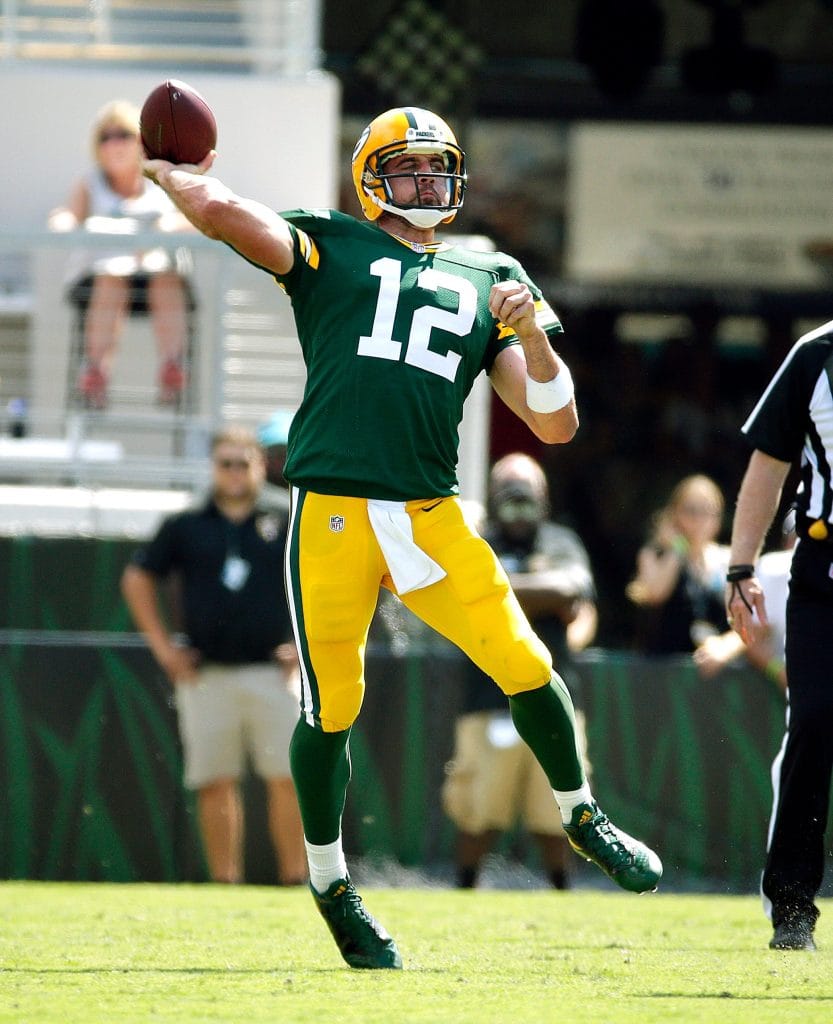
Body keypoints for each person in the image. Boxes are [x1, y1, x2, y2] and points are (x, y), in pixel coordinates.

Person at [142, 105, 662, 970]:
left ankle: (580, 813)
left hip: (429, 512)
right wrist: (176, 176)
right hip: (334, 511)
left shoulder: (490, 274)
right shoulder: (330, 243)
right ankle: (331, 884)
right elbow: (227, 214)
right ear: (369, 177)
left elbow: (555, 422)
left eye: (436, 168)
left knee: (526, 662)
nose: (425, 183)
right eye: (407, 168)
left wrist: (531, 336)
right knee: (332, 705)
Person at [121, 426, 306, 886]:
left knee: (290, 778)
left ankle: (297, 881)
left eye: (244, 463)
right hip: (207, 673)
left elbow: (327, 579)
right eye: (226, 464)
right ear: (213, 468)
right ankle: (224, 885)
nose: (234, 472)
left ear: (261, 466)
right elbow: (137, 578)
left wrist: (305, 648)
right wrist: (165, 650)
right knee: (215, 781)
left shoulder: (288, 516)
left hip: (276, 672)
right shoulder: (185, 523)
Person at [725, 318, 833, 953]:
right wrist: (741, 567)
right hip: (823, 575)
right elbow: (770, 462)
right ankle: (792, 909)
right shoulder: (814, 355)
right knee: (814, 723)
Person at [442, 452, 597, 889]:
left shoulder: (561, 541)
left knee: (559, 810)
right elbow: (456, 591)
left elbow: (571, 587)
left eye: (526, 489)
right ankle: (464, 890)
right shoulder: (475, 539)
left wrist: (497, 591)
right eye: (507, 488)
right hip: (487, 696)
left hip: (554, 696)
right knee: (479, 809)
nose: (517, 501)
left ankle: (562, 894)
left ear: (543, 496)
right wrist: (542, 594)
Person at [48, 99, 193, 409]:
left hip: (153, 273)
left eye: (123, 135)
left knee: (167, 280)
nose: (114, 144)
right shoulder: (89, 184)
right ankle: (96, 371)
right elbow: (68, 216)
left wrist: (166, 226)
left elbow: (190, 219)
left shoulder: (161, 181)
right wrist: (62, 222)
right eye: (106, 137)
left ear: (140, 141)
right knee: (111, 281)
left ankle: (173, 368)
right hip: (103, 277)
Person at [626, 474, 730, 655]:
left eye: (708, 511)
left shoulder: (727, 559)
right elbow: (655, 594)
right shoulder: (654, 555)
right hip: (663, 664)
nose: (699, 519)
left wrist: (723, 647)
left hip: (713, 665)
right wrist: (677, 548)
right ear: (674, 513)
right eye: (691, 510)